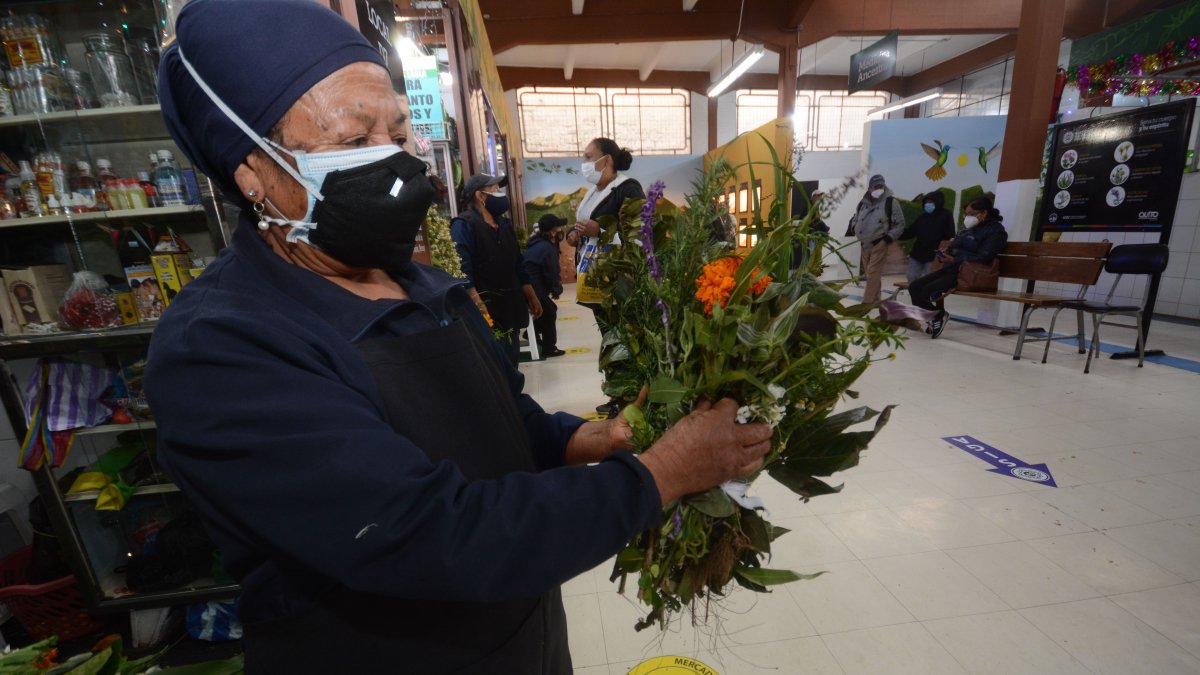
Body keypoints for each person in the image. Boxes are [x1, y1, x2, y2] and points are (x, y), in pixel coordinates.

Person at [144, 1, 772, 672]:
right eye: (354, 142)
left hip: (522, 640)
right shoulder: (223, 347)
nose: (389, 158)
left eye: (395, 131)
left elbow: (503, 421)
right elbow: (432, 535)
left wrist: (584, 437)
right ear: (253, 172)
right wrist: (663, 472)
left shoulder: (422, 285)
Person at [564, 137, 645, 415]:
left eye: (588, 157)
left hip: (618, 281)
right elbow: (584, 229)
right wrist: (574, 235)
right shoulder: (593, 193)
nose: (584, 163)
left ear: (606, 160)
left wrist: (601, 232)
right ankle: (617, 394)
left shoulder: (627, 189)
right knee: (609, 337)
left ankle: (630, 400)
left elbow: (640, 236)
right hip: (596, 279)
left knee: (622, 338)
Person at [451, 173, 541, 365]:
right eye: (495, 189)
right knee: (495, 365)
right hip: (487, 307)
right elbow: (463, 271)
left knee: (512, 362)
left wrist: (532, 296)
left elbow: (518, 264)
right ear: (480, 196)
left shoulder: (504, 224)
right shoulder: (464, 225)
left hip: (511, 306)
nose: (500, 193)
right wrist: (479, 305)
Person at [909, 196, 1008, 338]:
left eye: (971, 214)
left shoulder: (996, 232)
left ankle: (937, 316)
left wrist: (956, 258)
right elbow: (955, 245)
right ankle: (936, 316)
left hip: (971, 273)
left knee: (927, 290)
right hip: (953, 268)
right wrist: (946, 253)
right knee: (914, 287)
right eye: (966, 214)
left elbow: (984, 257)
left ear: (984, 213)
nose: (968, 217)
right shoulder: (967, 228)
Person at [850, 174, 906, 302]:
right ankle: (875, 300)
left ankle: (866, 303)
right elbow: (855, 218)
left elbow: (900, 225)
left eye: (881, 186)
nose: (879, 189)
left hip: (879, 244)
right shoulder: (862, 204)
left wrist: (886, 240)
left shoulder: (891, 202)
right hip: (864, 245)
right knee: (871, 275)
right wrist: (854, 228)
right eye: (876, 187)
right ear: (870, 189)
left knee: (872, 274)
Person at [523, 214, 567, 357]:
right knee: (549, 313)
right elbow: (551, 273)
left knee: (549, 309)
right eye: (559, 227)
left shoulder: (537, 243)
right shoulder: (547, 248)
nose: (562, 230)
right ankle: (549, 347)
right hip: (532, 288)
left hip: (529, 286)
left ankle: (531, 334)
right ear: (552, 231)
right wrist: (556, 290)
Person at [899, 190, 956, 284]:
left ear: (938, 202)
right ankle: (916, 296)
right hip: (918, 253)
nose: (927, 204)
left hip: (934, 255)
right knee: (911, 276)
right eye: (926, 202)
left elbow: (950, 235)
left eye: (930, 202)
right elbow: (910, 232)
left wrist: (944, 251)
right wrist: (895, 233)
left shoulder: (946, 215)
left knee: (929, 279)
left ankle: (929, 298)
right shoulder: (922, 217)